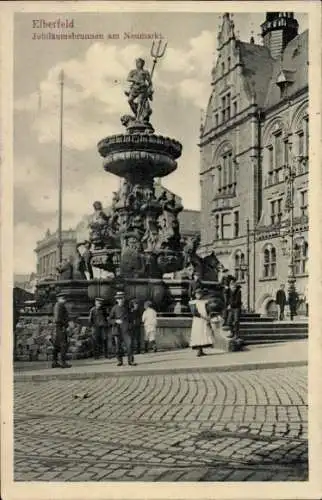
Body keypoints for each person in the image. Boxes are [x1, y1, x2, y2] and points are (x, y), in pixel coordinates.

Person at [109, 291, 136, 366]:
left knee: (129, 345)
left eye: (122, 298)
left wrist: (130, 325)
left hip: (126, 330)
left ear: (124, 299)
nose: (121, 300)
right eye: (119, 299)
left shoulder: (127, 308)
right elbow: (109, 319)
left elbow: (131, 318)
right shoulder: (114, 308)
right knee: (118, 347)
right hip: (117, 330)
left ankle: (130, 361)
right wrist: (116, 321)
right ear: (117, 300)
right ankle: (119, 361)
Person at [188, 288, 214, 357]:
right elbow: (194, 312)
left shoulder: (205, 302)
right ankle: (199, 350)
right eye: (197, 294)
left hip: (204, 320)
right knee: (198, 334)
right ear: (195, 295)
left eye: (200, 294)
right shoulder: (193, 302)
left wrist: (208, 316)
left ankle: (201, 350)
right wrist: (203, 317)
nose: (199, 295)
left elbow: (208, 309)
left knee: (203, 333)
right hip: (198, 320)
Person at [52, 292, 71, 368]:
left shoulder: (58, 305)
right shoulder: (59, 305)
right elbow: (58, 319)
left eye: (64, 298)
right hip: (61, 327)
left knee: (57, 345)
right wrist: (64, 325)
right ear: (58, 299)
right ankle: (63, 362)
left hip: (59, 327)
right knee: (63, 345)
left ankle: (55, 362)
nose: (65, 300)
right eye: (63, 298)